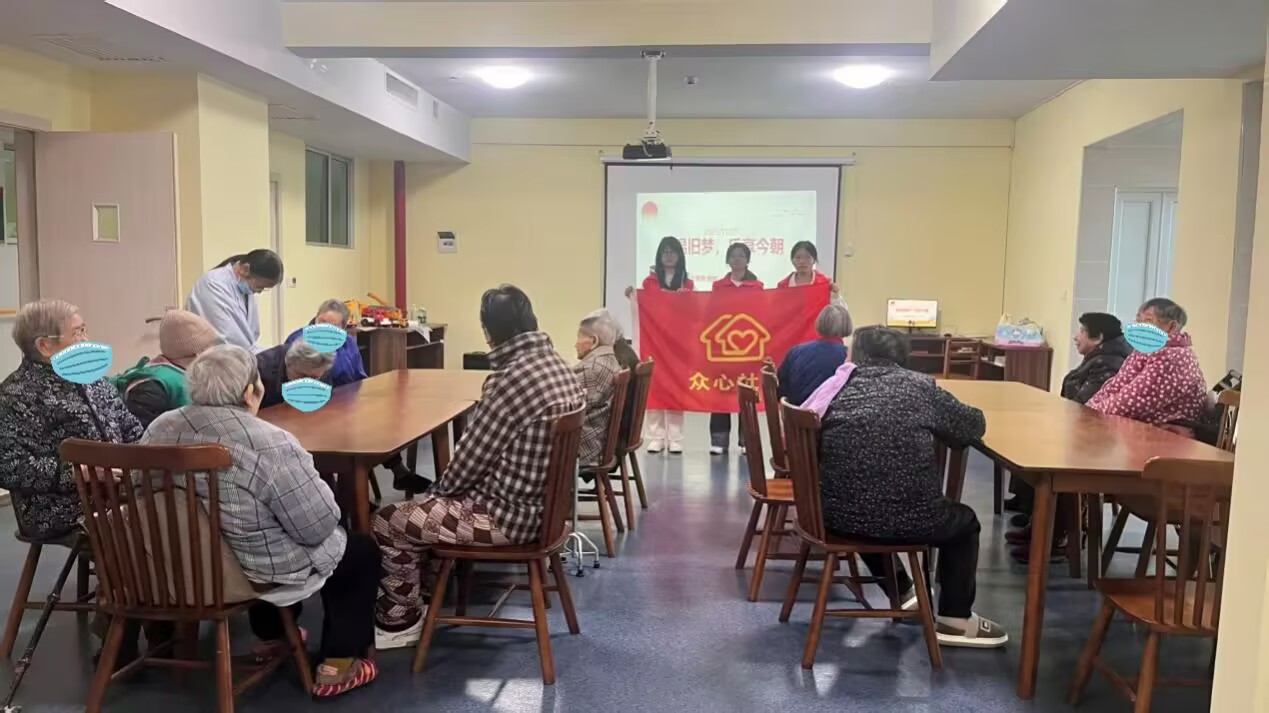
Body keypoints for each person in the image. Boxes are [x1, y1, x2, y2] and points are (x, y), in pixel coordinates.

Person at [141, 345, 380, 698]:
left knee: (257, 534)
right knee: (357, 551)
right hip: (246, 573)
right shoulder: (270, 442)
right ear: (249, 391)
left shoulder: (160, 428)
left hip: (177, 567)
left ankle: (274, 637)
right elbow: (316, 527)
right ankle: (338, 663)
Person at [372, 285, 583, 649]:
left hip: (507, 519)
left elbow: (468, 463)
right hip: (546, 513)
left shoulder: (510, 379)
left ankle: (401, 620)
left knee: (388, 520)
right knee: (423, 508)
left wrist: (433, 495)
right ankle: (425, 594)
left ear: (489, 332)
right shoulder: (559, 367)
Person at [818, 326, 1008, 648]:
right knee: (963, 523)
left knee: (863, 509)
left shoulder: (838, 386)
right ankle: (956, 621)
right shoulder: (920, 386)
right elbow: (971, 426)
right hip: (908, 519)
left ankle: (904, 592)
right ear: (903, 356)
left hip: (836, 518)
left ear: (856, 355)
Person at [0, 299, 144, 539]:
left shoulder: (93, 379)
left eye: (84, 329)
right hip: (59, 506)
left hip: (117, 489)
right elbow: (8, 466)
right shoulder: (15, 394)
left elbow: (132, 430)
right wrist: (81, 473)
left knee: (177, 503)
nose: (86, 340)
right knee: (155, 520)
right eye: (78, 333)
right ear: (44, 345)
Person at [1003, 312, 1133, 557]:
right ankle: (1032, 511)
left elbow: (1084, 405)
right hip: (1086, 428)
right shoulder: (1102, 356)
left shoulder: (1108, 362)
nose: (1076, 336)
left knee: (1052, 451)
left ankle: (1054, 535)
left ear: (1098, 337)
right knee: (1032, 435)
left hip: (1099, 439)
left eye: (1082, 331)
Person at [1086, 298, 1207, 425]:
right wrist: (1089, 408)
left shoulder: (1174, 357)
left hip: (1166, 431)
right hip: (1137, 424)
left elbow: (1135, 399)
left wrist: (1092, 414)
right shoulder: (1145, 349)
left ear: (1171, 327)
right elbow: (1115, 385)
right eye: (1138, 321)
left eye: (1148, 322)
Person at [625, 236, 694, 454]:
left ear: (680, 255)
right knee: (654, 388)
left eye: (673, 252)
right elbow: (644, 307)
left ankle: (675, 437)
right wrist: (633, 297)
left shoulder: (687, 283)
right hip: (655, 342)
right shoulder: (649, 282)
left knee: (675, 389)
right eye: (665, 252)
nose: (669, 256)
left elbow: (694, 312)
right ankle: (656, 436)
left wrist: (685, 299)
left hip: (678, 344)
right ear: (659, 255)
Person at [111, 309, 224, 428]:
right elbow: (143, 435)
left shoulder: (179, 372)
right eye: (210, 347)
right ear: (198, 352)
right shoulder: (151, 387)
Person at [709, 243, 763, 455]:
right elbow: (710, 313)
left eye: (741, 256)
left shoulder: (757, 286)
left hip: (748, 349)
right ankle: (719, 440)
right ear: (727, 260)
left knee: (746, 394)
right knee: (720, 393)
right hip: (723, 348)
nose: (737, 259)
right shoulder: (718, 286)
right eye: (733, 256)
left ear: (748, 260)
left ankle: (746, 440)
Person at [185, 250, 283, 352]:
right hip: (213, 356)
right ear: (245, 269)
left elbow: (249, 340)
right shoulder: (213, 283)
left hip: (233, 355)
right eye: (260, 287)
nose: (259, 291)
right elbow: (229, 338)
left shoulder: (245, 288)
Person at [777, 303, 853, 405]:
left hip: (794, 411)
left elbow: (781, 389)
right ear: (846, 325)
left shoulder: (795, 351)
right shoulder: (849, 358)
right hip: (827, 413)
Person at [573, 312, 622, 467]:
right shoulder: (610, 361)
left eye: (578, 337)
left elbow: (565, 409)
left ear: (594, 341)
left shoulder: (592, 369)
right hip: (597, 443)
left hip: (584, 448)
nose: (575, 344)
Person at [284, 299, 367, 387]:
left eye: (332, 326)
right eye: (322, 322)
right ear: (316, 317)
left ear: (342, 328)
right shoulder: (297, 340)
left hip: (347, 393)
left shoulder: (349, 342)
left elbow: (359, 378)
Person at [255, 339, 335, 409]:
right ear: (288, 363)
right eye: (303, 376)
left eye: (314, 378)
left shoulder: (322, 364)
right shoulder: (260, 370)